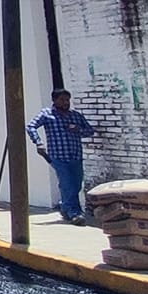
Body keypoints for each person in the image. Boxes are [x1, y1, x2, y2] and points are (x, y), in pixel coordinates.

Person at [26, 88, 97, 223]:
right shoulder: (47, 114)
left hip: (75, 155)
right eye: (62, 100)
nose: (66, 103)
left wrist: (78, 130)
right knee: (67, 184)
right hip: (58, 157)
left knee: (76, 185)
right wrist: (38, 143)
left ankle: (65, 206)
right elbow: (31, 126)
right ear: (54, 100)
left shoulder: (75, 115)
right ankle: (75, 213)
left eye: (67, 100)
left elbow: (89, 131)